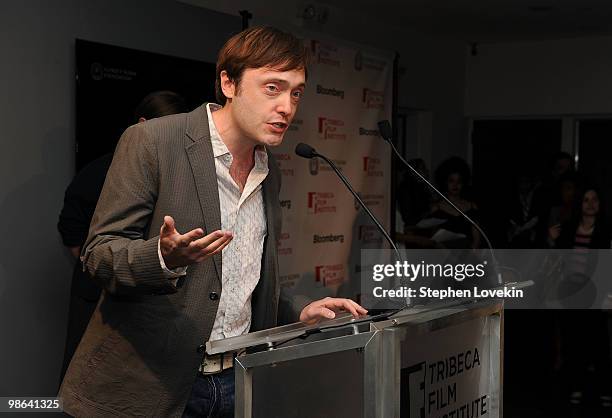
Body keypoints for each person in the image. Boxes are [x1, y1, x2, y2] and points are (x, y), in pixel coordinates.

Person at [58, 26, 367, 418]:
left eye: (296, 92)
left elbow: (241, 281)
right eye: (273, 87)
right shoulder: (152, 142)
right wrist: (163, 257)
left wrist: (300, 311)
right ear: (228, 82)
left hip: (237, 382)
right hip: (150, 388)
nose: (287, 106)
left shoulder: (270, 171)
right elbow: (98, 255)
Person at [56, 90, 188, 384]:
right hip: (96, 296)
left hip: (147, 300)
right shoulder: (99, 171)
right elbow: (73, 232)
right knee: (88, 380)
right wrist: (106, 267)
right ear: (142, 125)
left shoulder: (177, 175)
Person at [429, 156, 481, 249]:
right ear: (445, 182)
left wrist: (468, 257)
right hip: (443, 257)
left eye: (459, 181)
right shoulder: (437, 208)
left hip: (467, 257)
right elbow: (434, 239)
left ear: (464, 182)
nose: (455, 185)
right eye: (451, 181)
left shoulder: (472, 206)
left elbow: (476, 238)